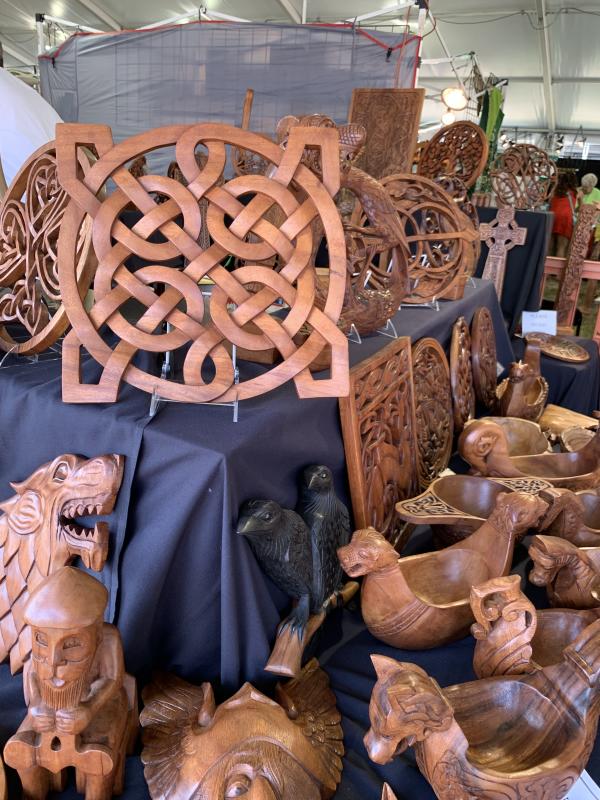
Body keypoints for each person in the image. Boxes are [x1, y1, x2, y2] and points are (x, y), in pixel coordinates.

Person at [549, 171, 577, 257]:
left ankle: (546, 268)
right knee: (561, 247)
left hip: (553, 217)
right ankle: (556, 270)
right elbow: (579, 207)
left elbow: (550, 202)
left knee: (550, 246)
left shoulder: (555, 190)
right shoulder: (576, 192)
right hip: (566, 219)